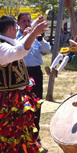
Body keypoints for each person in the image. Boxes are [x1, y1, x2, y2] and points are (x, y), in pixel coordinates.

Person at [0, 15, 47, 153]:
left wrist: (33, 29)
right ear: (12, 28)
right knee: (11, 132)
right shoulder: (2, 48)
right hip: (10, 98)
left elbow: (20, 44)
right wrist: (34, 33)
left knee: (20, 132)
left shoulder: (7, 44)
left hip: (16, 96)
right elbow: (20, 51)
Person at [17, 12, 51, 144]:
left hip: (36, 72)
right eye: (24, 21)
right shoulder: (16, 38)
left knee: (36, 102)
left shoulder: (37, 36)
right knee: (21, 103)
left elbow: (47, 50)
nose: (27, 23)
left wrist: (40, 37)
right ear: (18, 23)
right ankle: (22, 133)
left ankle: (35, 133)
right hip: (21, 72)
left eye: (29, 21)